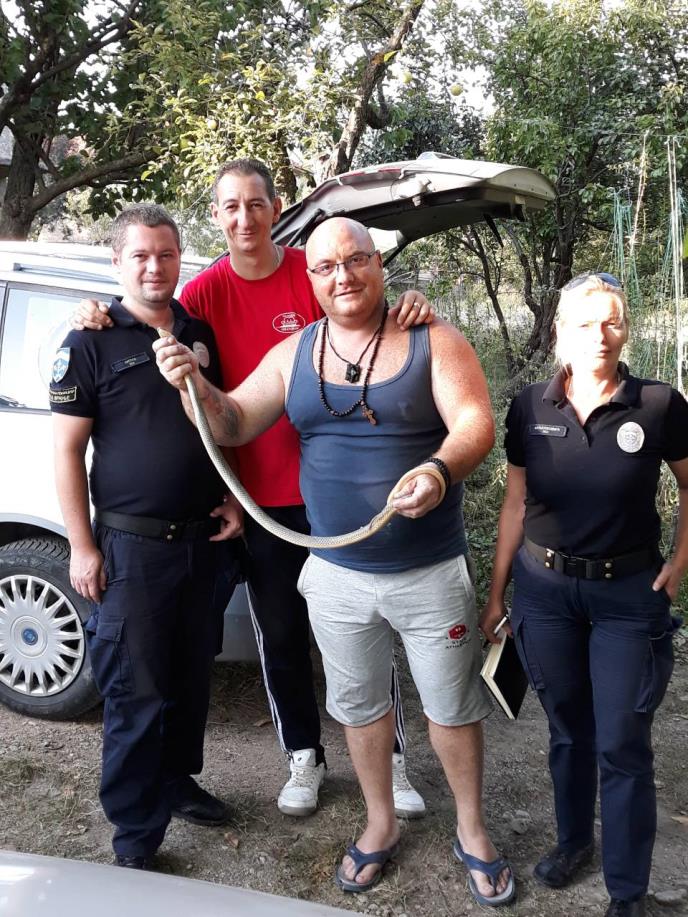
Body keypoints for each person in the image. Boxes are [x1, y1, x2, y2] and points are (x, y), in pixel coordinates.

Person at [154, 217, 515, 907]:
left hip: (429, 572)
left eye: (356, 260)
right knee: (359, 705)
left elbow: (475, 422)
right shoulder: (294, 353)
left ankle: (473, 829)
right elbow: (233, 421)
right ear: (311, 279)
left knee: (451, 707)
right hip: (336, 575)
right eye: (326, 267)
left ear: (379, 264)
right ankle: (379, 823)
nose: (342, 276)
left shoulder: (432, 339)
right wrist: (192, 385)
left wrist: (438, 470)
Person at [72, 158, 433, 819]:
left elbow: (369, 314)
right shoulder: (204, 293)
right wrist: (95, 310)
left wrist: (411, 303)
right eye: (231, 206)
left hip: (340, 493)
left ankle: (392, 761)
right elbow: (152, 324)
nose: (244, 218)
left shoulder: (314, 271)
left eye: (256, 204)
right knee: (282, 634)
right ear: (216, 216)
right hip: (261, 502)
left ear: (275, 208)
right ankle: (304, 755)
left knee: (367, 630)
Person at [480, 273, 688, 917]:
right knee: (568, 731)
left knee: (621, 741)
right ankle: (574, 842)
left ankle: (627, 890)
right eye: (584, 323)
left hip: (628, 596)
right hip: (545, 595)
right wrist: (496, 594)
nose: (600, 335)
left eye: (612, 321)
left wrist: (680, 560)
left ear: (625, 329)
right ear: (560, 332)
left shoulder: (658, 404)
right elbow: (515, 503)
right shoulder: (529, 406)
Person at [51, 205, 239, 869]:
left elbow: (218, 421)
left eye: (166, 253)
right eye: (140, 255)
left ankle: (176, 782)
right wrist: (82, 545)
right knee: (136, 689)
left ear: (180, 257)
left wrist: (231, 497)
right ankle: (135, 836)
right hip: (132, 550)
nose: (155, 266)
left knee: (190, 676)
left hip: (202, 542)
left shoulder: (197, 331)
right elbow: (67, 451)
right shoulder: (90, 340)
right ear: (117, 263)